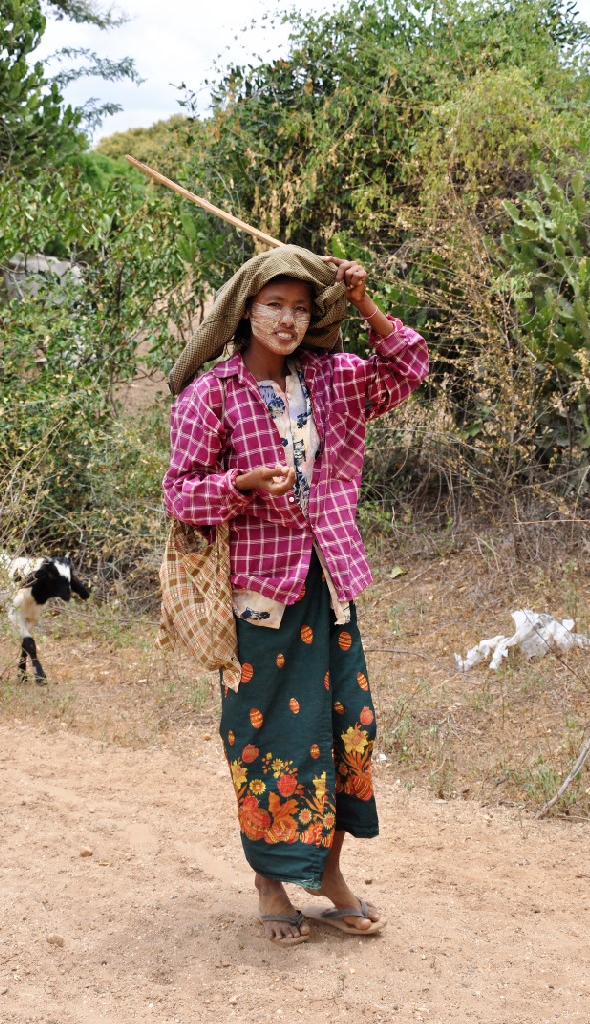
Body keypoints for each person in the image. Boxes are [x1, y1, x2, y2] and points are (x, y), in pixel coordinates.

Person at [163, 244, 428, 946]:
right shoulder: (211, 395)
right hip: (260, 597)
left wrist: (364, 300)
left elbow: (409, 365)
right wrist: (242, 485)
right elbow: (180, 494)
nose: (287, 320)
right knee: (269, 739)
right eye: (274, 305)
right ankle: (270, 881)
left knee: (348, 729)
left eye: (301, 308)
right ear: (245, 311)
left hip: (331, 585)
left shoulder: (334, 379)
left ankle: (329, 874)